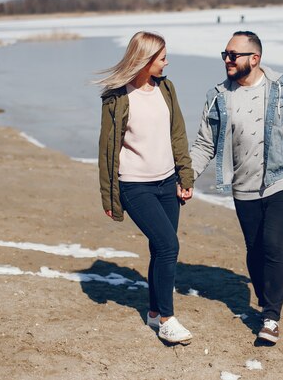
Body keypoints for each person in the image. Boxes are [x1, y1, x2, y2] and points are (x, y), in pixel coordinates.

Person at [190, 31, 283, 344]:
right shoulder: (217, 95)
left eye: (233, 54)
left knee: (273, 243)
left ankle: (271, 316)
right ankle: (267, 303)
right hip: (244, 183)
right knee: (254, 248)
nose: (227, 59)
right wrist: (187, 176)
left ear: (255, 58)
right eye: (225, 54)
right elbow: (204, 144)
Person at [96, 31, 194, 344]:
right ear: (145, 59)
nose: (167, 62)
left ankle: (153, 312)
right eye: (162, 57)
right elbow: (107, 149)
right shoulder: (116, 96)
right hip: (135, 186)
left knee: (159, 248)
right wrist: (108, 195)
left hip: (168, 183)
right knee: (168, 246)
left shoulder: (166, 88)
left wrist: (185, 176)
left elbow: (177, 134)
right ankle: (167, 319)